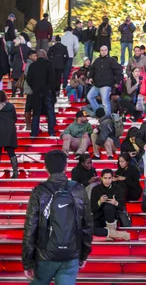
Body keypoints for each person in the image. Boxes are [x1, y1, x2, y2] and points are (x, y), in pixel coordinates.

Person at [22, 149, 93, 285]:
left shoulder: (39, 191)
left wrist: (27, 262)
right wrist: (84, 254)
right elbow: (88, 225)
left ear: (45, 167)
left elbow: (30, 228)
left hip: (44, 256)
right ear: (66, 167)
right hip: (71, 254)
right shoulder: (78, 190)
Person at [90, 168, 130, 240]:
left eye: (109, 178)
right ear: (101, 178)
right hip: (99, 217)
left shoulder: (117, 188)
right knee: (91, 229)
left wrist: (115, 203)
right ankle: (118, 234)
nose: (107, 181)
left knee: (108, 206)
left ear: (112, 178)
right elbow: (92, 209)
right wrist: (100, 201)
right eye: (105, 178)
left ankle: (111, 231)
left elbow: (122, 207)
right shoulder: (95, 189)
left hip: (113, 217)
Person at [27, 49, 57, 138]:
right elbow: (52, 78)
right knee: (50, 111)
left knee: (36, 113)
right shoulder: (49, 63)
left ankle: (34, 133)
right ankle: (51, 131)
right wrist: (50, 89)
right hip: (47, 91)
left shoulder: (32, 65)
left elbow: (29, 79)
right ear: (45, 55)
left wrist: (34, 88)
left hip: (36, 92)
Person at [87, 45, 123, 116]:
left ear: (107, 51)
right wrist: (90, 77)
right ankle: (99, 113)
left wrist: (117, 82)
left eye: (105, 50)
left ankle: (107, 118)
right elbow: (92, 69)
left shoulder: (112, 60)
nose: (103, 51)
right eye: (102, 50)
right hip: (96, 84)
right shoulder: (97, 60)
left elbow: (119, 71)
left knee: (105, 102)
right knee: (89, 97)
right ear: (100, 51)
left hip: (106, 85)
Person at [0, 90, 18, 178]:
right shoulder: (10, 106)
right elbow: (15, 118)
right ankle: (15, 172)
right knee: (11, 152)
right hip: (10, 131)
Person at [23, 49, 37, 132]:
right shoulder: (30, 64)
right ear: (29, 56)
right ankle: (28, 124)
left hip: (30, 88)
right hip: (31, 89)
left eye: (36, 56)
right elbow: (29, 76)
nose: (35, 57)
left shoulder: (30, 64)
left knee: (29, 105)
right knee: (29, 106)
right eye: (34, 56)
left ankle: (29, 124)